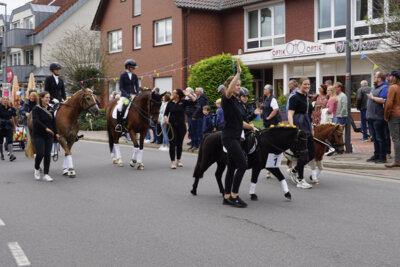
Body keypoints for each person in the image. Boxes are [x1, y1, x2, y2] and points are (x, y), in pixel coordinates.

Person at [221, 60, 257, 208]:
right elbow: (228, 90)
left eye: (239, 84)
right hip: (229, 137)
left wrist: (251, 127)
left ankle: (227, 196)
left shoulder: (236, 102)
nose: (239, 86)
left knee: (231, 167)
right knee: (242, 164)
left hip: (236, 136)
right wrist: (238, 73)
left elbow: (240, 122)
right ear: (230, 86)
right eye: (237, 84)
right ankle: (235, 196)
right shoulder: (227, 98)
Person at [287, 77, 314, 189]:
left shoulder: (307, 98)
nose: (307, 86)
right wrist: (294, 129)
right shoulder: (294, 98)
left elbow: (309, 115)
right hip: (299, 126)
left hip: (307, 126)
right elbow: (290, 114)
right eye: (305, 84)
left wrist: (312, 127)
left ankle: (294, 170)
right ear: (299, 85)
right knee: (302, 154)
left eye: (308, 84)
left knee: (311, 154)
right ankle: (300, 180)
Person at [164, 89, 197, 169]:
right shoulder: (170, 103)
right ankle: (172, 162)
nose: (172, 93)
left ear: (178, 95)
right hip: (171, 126)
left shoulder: (183, 102)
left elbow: (195, 101)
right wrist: (165, 119)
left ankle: (179, 160)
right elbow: (166, 113)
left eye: (174, 92)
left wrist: (189, 95)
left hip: (181, 126)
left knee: (179, 144)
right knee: (172, 143)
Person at [31, 92, 60, 181]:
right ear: (42, 98)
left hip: (49, 135)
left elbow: (53, 123)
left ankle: (46, 174)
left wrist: (56, 133)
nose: (48, 99)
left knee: (47, 155)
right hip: (38, 134)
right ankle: (36, 168)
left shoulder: (51, 109)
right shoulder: (36, 109)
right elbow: (36, 121)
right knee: (40, 153)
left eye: (49, 97)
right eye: (46, 97)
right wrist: (46, 128)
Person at [366, 71, 389, 164]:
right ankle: (376, 154)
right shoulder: (374, 87)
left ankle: (382, 157)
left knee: (380, 137)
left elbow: (383, 100)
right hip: (371, 116)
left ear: (379, 79)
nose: (374, 78)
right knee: (374, 138)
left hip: (378, 117)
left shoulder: (385, 88)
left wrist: (372, 98)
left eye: (375, 77)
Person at [115, 59, 139, 133]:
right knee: (119, 107)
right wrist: (127, 95)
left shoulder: (135, 76)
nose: (134, 69)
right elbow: (121, 87)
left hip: (133, 95)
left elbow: (137, 86)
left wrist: (137, 93)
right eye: (133, 67)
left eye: (134, 67)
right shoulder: (122, 75)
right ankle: (119, 124)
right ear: (128, 67)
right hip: (125, 96)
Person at [384, 70, 400, 168]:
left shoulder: (392, 87)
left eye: (391, 76)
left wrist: (386, 115)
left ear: (394, 77)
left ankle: (397, 161)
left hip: (394, 115)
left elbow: (389, 103)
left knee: (396, 138)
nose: (390, 78)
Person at [0, 96, 17, 161]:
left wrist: (15, 127)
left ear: (8, 101)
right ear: (2, 100)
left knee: (10, 140)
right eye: (4, 99)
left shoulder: (11, 108)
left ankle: (11, 154)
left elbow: (13, 118)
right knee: (0, 141)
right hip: (1, 126)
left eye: (6, 99)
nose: (5, 100)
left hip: (9, 126)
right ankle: (1, 154)